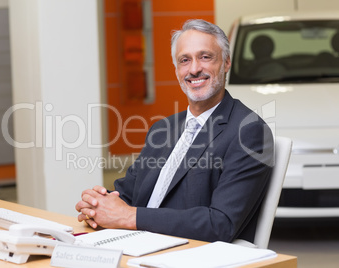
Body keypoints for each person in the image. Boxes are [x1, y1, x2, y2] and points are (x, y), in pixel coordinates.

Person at [75, 19, 274, 243]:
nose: (194, 68)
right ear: (177, 69)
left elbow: (221, 224)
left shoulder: (249, 132)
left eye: (205, 57)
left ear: (226, 62)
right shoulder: (163, 129)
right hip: (136, 244)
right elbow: (128, 193)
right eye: (184, 60)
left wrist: (130, 216)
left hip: (188, 253)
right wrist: (98, 205)